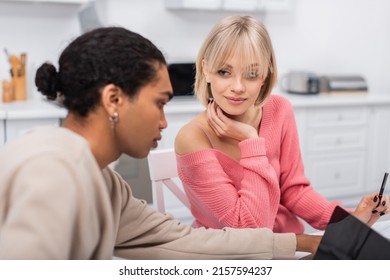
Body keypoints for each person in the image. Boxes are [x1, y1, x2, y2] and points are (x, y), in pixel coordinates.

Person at [0, 26, 330, 260]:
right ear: (114, 99)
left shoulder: (106, 184)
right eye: (160, 103)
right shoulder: (52, 172)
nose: (164, 122)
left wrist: (305, 243)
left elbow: (183, 241)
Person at [174, 16, 389, 233]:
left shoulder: (279, 110)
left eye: (251, 74)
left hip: (291, 245)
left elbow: (295, 192)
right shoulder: (192, 138)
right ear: (205, 70)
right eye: (224, 72)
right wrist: (251, 142)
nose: (237, 87)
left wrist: (351, 220)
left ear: (265, 76)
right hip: (233, 258)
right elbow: (249, 231)